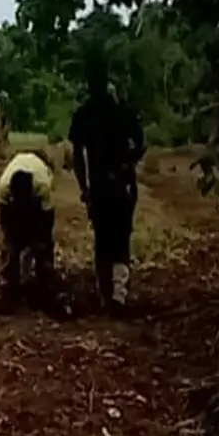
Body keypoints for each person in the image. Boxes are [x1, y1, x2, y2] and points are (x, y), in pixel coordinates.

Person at [68, 63, 145, 312]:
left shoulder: (84, 114)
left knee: (103, 241)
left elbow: (77, 156)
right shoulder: (123, 112)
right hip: (123, 186)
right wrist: (126, 166)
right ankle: (119, 295)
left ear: (89, 86)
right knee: (121, 239)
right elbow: (141, 145)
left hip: (99, 187)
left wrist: (84, 188)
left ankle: (106, 295)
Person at [0, 150, 57, 305]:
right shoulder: (4, 188)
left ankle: (45, 280)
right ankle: (10, 282)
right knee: (11, 244)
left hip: (38, 200)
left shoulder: (43, 186)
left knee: (44, 244)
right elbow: (5, 221)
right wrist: (11, 249)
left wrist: (39, 243)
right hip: (13, 203)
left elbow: (47, 220)